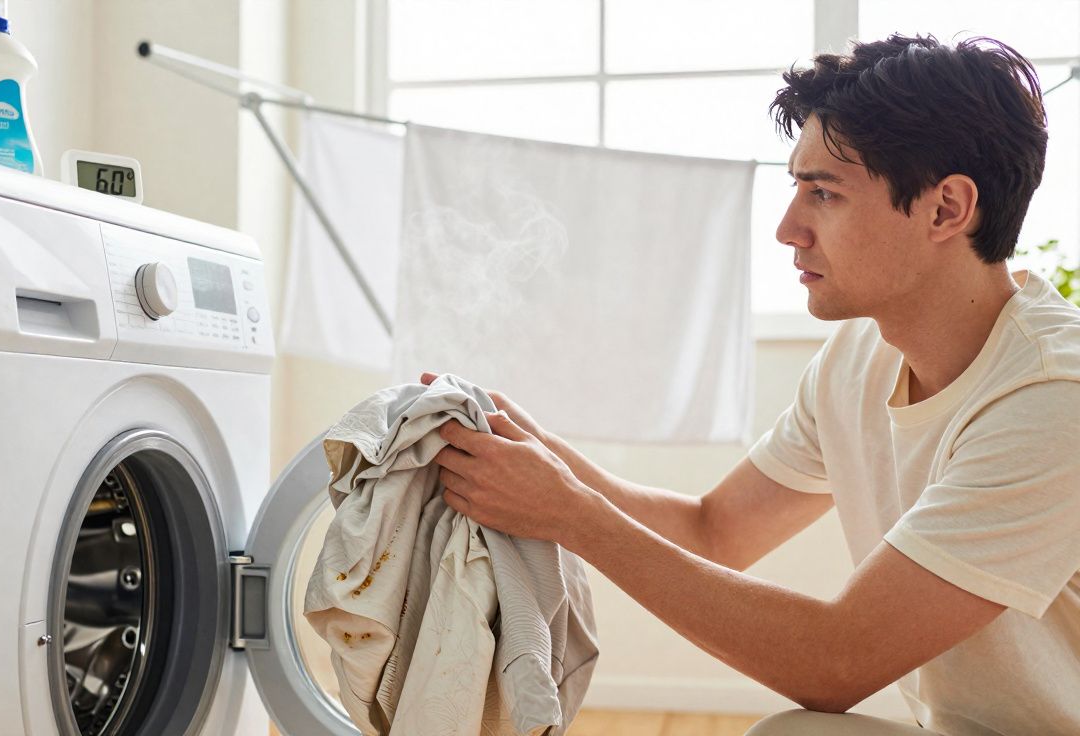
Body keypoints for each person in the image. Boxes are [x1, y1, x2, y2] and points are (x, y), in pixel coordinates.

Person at [426, 34, 1080, 736]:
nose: (787, 229)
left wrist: (569, 514)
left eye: (823, 193)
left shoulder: (1053, 396)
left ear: (946, 209)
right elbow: (714, 532)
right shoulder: (859, 358)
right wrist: (541, 458)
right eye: (795, 188)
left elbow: (836, 662)